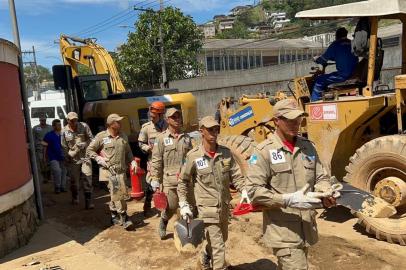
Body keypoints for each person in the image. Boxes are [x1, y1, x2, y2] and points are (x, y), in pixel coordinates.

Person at [245, 99, 336, 270]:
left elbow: (321, 177)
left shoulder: (308, 147)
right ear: (276, 121)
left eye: (299, 119)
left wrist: (325, 193)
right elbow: (253, 191)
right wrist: (287, 199)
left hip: (306, 227)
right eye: (290, 119)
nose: (296, 124)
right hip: (283, 231)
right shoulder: (263, 151)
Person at [178, 116, 246, 270]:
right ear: (201, 131)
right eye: (210, 129)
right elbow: (183, 181)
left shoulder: (226, 153)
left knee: (223, 238)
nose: (214, 132)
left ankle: (205, 256)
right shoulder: (193, 156)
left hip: (224, 206)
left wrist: (244, 191)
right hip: (207, 209)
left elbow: (235, 175)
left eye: (216, 129)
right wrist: (183, 203)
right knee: (219, 246)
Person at [87, 113, 138, 230]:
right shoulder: (101, 137)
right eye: (117, 122)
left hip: (121, 171)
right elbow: (90, 150)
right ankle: (125, 218)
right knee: (119, 194)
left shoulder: (123, 136)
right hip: (109, 171)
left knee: (114, 195)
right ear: (110, 124)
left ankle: (114, 214)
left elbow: (128, 152)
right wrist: (98, 158)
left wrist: (133, 161)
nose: (120, 123)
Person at [150, 108, 193, 239]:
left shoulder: (186, 138)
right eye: (173, 117)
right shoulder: (161, 139)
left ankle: (188, 233)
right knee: (171, 207)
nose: (177, 119)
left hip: (185, 180)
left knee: (189, 207)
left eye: (178, 116)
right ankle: (163, 222)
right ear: (167, 120)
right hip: (169, 181)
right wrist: (155, 180)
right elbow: (156, 160)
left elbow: (190, 158)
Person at [311, 27, 358, 101]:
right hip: (354, 73)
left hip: (343, 75)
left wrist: (316, 59)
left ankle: (314, 102)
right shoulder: (352, 43)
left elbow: (322, 59)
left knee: (319, 80)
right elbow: (343, 56)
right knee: (329, 76)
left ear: (336, 36)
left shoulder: (335, 45)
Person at [138, 101, 168, 214]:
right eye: (151, 115)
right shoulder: (146, 128)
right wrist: (149, 149)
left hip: (166, 159)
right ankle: (148, 203)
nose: (152, 118)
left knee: (165, 182)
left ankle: (164, 206)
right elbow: (141, 144)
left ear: (161, 115)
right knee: (151, 183)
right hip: (153, 160)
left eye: (154, 116)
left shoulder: (167, 126)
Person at [61, 112, 94, 209]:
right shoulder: (64, 132)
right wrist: (67, 158)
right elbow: (64, 147)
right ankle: (75, 196)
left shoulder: (84, 126)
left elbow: (92, 139)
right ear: (68, 120)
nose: (74, 122)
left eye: (75, 120)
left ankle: (89, 202)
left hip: (85, 158)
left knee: (88, 179)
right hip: (73, 160)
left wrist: (85, 144)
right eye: (72, 120)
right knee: (74, 182)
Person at [42, 119, 66, 194]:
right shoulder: (49, 135)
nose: (60, 126)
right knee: (57, 171)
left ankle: (63, 187)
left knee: (64, 172)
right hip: (53, 157)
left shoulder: (63, 134)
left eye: (60, 124)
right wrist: (44, 157)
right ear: (53, 126)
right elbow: (44, 146)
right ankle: (57, 187)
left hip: (63, 156)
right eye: (58, 125)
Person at [32, 116, 52, 183]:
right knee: (41, 162)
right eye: (41, 120)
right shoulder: (35, 128)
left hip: (49, 148)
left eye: (44, 120)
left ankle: (49, 176)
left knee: (49, 162)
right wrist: (33, 148)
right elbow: (33, 138)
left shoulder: (50, 127)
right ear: (39, 120)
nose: (43, 121)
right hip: (39, 148)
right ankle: (44, 177)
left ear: (46, 120)